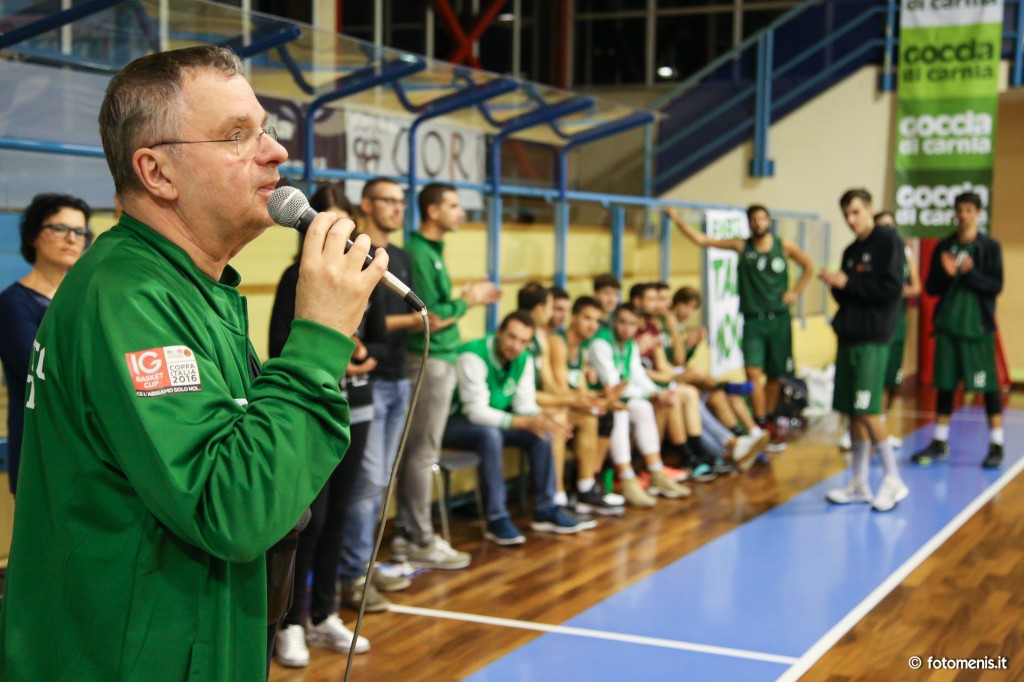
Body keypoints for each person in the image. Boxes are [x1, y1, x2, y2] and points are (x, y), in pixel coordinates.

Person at [0, 46, 386, 681]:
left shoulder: (194, 287)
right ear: (157, 172)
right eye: (237, 135)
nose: (274, 153)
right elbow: (231, 509)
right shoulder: (129, 298)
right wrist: (318, 337)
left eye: (264, 129)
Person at [267, 186, 375, 667]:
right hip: (317, 410)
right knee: (311, 519)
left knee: (342, 517)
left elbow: (363, 339)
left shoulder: (360, 276)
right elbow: (281, 344)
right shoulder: (296, 277)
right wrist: (332, 362)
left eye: (347, 223)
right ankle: (291, 622)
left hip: (360, 406)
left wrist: (361, 356)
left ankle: (325, 613)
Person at [335, 178, 429, 611]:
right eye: (388, 200)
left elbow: (386, 325)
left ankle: (366, 565)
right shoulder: (357, 256)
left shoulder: (404, 258)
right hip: (367, 384)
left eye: (400, 201)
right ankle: (353, 575)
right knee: (367, 482)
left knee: (381, 481)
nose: (397, 208)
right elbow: (366, 321)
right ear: (367, 206)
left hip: (397, 376)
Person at [395, 182, 501, 566]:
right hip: (429, 360)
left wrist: (462, 300)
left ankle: (410, 533)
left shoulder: (432, 252)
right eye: (453, 206)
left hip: (439, 360)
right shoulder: (420, 253)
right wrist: (467, 300)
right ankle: (420, 538)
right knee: (423, 454)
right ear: (432, 211)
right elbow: (432, 318)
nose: (461, 213)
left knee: (420, 452)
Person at [666, 205, 814, 451]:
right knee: (752, 372)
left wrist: (795, 292)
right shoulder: (741, 246)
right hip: (753, 319)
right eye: (753, 219)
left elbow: (808, 265)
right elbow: (703, 240)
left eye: (762, 219)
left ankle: (770, 420)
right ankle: (760, 422)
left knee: (775, 375)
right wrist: (677, 220)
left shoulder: (783, 245)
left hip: (779, 319)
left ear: (769, 221)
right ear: (749, 223)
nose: (758, 223)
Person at [444, 311, 587, 545]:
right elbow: (476, 412)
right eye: (511, 337)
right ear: (499, 333)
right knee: (490, 436)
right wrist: (526, 421)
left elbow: (524, 405)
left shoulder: (524, 359)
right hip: (453, 423)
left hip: (493, 422)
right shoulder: (472, 355)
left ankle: (545, 509)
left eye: (523, 341)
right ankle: (496, 518)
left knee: (540, 433)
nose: (516, 346)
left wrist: (543, 418)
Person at [819, 189, 908, 512]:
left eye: (856, 212)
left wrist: (848, 284)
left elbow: (890, 288)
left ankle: (893, 478)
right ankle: (858, 482)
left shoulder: (887, 242)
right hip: (849, 337)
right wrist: (835, 284)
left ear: (870, 209)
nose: (851, 220)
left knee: (869, 409)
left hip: (873, 338)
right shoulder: (850, 251)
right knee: (853, 410)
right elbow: (850, 295)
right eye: (846, 215)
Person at [0, 193, 91, 497]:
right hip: (39, 447)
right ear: (33, 236)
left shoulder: (83, 300)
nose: (72, 238)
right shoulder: (13, 303)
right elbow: (42, 374)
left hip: (84, 449)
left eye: (80, 232)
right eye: (60, 228)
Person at [911, 192, 1005, 469]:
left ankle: (996, 444)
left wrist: (969, 272)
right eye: (959, 210)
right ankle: (940, 441)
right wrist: (946, 273)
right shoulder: (944, 246)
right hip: (949, 327)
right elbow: (930, 288)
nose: (963, 215)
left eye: (968, 209)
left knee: (987, 387)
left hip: (977, 329)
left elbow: (995, 286)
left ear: (978, 213)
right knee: (945, 384)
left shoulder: (989, 247)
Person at [588, 304, 694, 507]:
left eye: (632, 324)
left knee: (643, 408)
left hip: (616, 400)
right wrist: (649, 393)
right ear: (613, 322)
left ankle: (656, 472)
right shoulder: (601, 344)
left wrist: (656, 392)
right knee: (620, 411)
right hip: (598, 401)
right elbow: (614, 385)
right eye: (622, 323)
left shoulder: (629, 345)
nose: (627, 329)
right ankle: (626, 477)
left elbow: (637, 374)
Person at [837, 210, 921, 451]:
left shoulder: (900, 252)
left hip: (884, 329)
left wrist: (897, 291)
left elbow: (909, 287)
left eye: (889, 226)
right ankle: (860, 479)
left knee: (880, 389)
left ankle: (890, 472)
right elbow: (851, 287)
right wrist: (841, 284)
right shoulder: (856, 252)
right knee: (856, 403)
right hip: (858, 330)